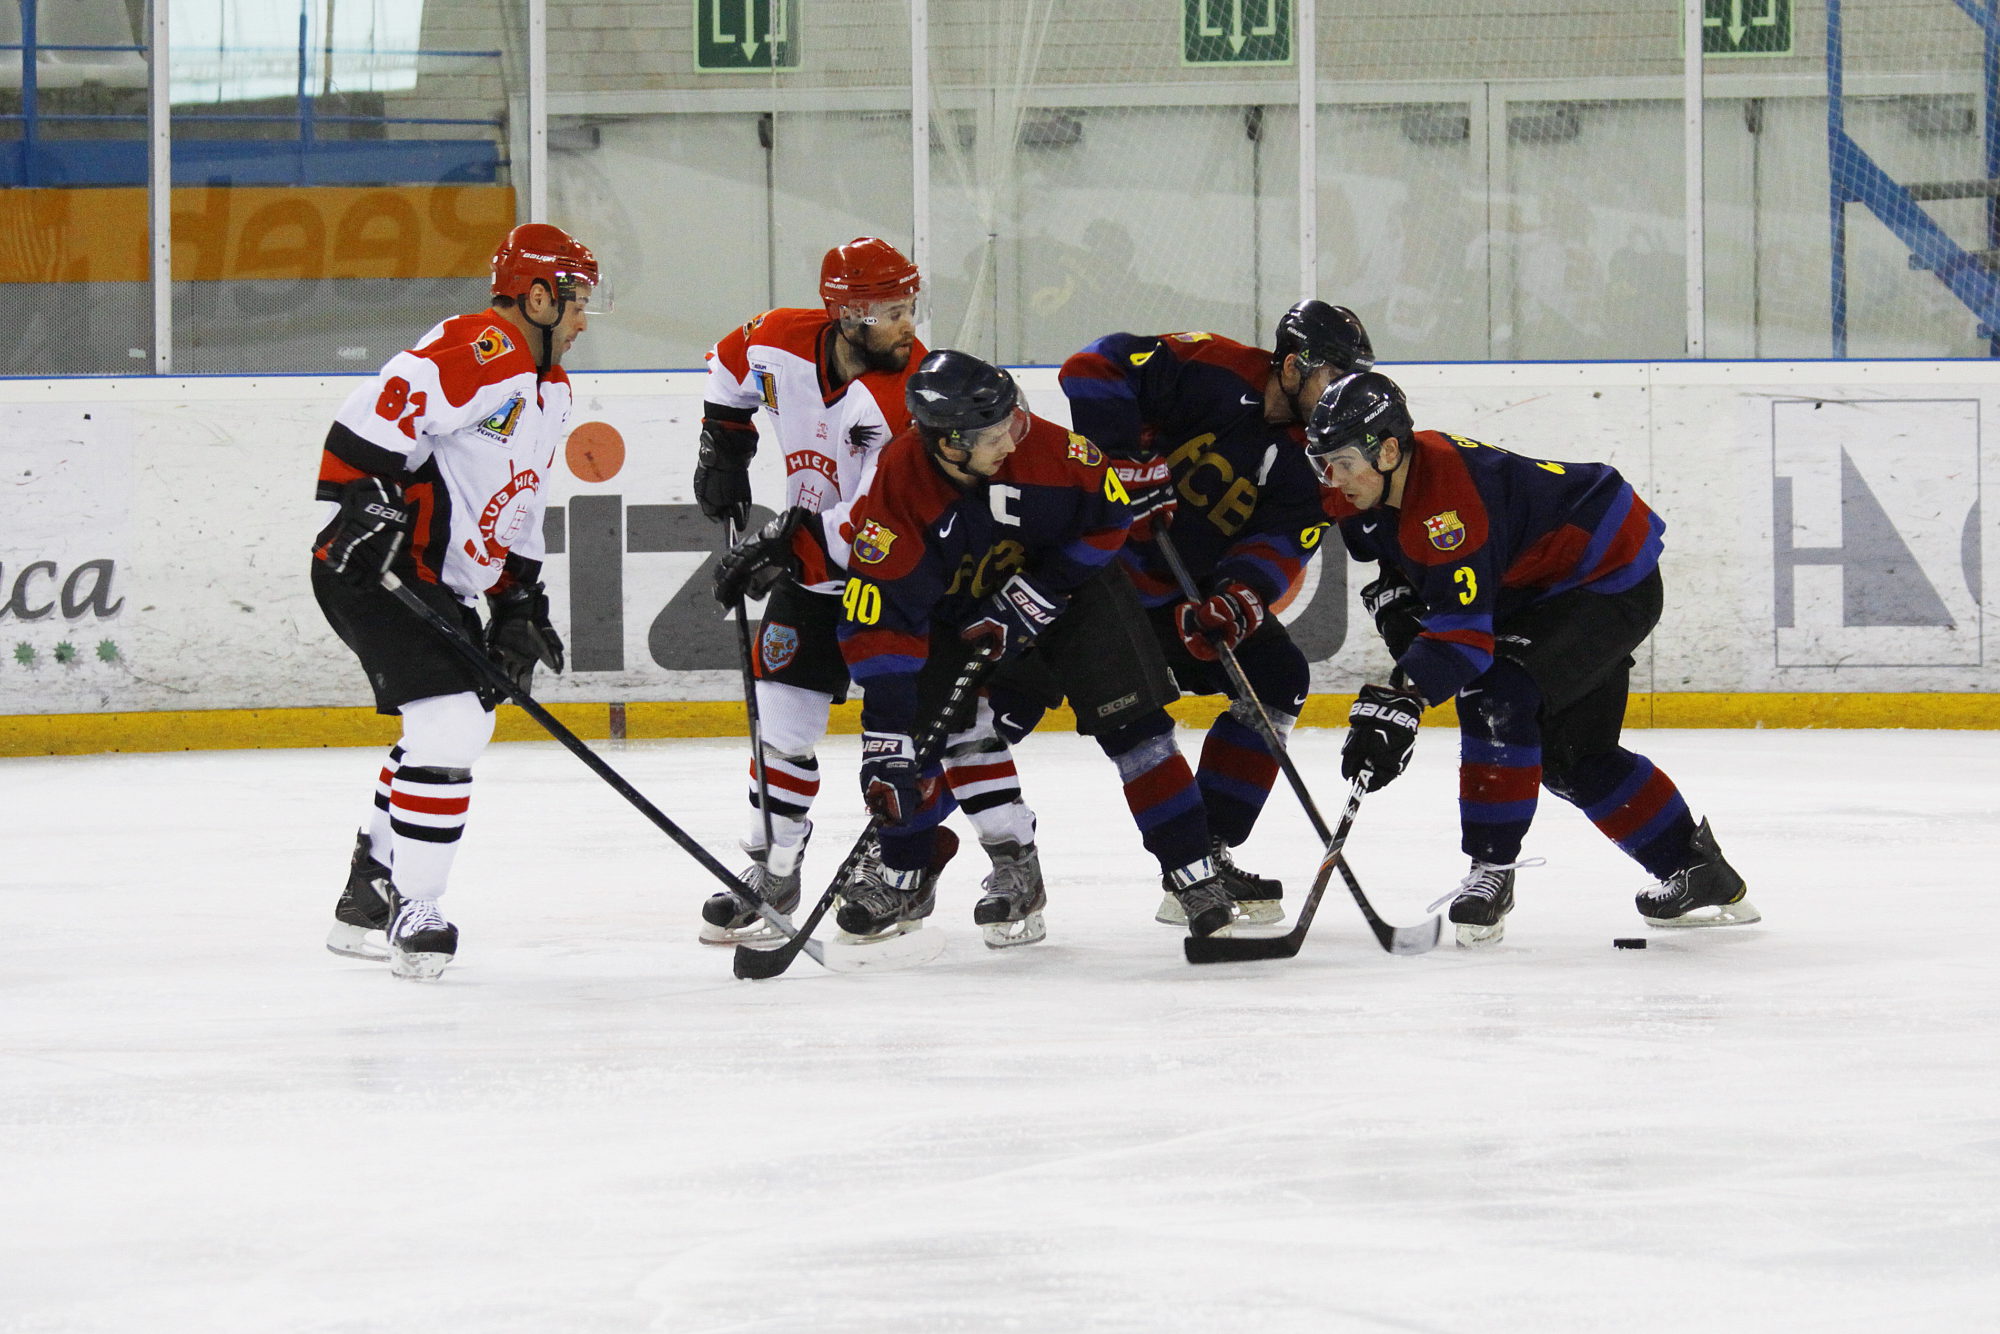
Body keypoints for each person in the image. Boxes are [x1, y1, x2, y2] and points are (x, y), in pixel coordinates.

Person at [720, 350, 1244, 944]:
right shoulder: (900, 483)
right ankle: (905, 871)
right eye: (994, 435)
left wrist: (1041, 590)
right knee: (910, 745)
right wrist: (886, 742)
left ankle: (1193, 873)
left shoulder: (1052, 452)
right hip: (965, 605)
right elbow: (884, 619)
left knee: (1138, 730)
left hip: (1075, 591)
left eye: (1012, 422)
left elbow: (1110, 519)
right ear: (948, 445)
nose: (1013, 440)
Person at [1307, 370, 1757, 946]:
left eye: (1343, 461)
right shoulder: (1368, 487)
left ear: (1389, 449)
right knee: (1572, 758)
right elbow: (1395, 553)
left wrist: (1401, 698)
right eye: (1323, 461)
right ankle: (1698, 873)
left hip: (1605, 576)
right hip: (1537, 583)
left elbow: (1464, 639)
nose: (1332, 478)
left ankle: (1490, 872)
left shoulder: (1449, 510)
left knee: (1497, 694)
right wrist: (1396, 594)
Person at [691, 239, 1041, 945]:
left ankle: (1015, 865)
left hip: (903, 581)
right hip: (809, 577)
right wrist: (723, 441)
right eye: (892, 312)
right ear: (846, 314)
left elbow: (882, 517)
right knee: (780, 731)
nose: (909, 325)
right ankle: (775, 872)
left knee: (956, 733)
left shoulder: (915, 396)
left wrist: (781, 541)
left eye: (911, 307)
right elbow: (727, 365)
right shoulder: (778, 339)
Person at [312, 222, 596, 979]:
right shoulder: (483, 348)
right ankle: (416, 907)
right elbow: (369, 416)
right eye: (574, 301)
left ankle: (369, 891)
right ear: (536, 296)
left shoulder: (550, 389)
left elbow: (519, 505)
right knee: (452, 727)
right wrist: (359, 502)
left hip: (439, 582)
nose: (581, 319)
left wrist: (518, 601)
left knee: (443, 731)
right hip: (377, 572)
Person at [1057, 300, 1373, 926]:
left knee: (1278, 676)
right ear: (1291, 365)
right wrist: (1119, 457)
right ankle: (902, 856)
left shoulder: (1315, 456)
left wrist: (1238, 598)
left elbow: (1281, 542)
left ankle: (1204, 855)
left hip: (1182, 594)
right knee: (999, 708)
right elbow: (1089, 367)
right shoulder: (1211, 366)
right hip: (1093, 578)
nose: (1341, 394)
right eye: (1332, 376)